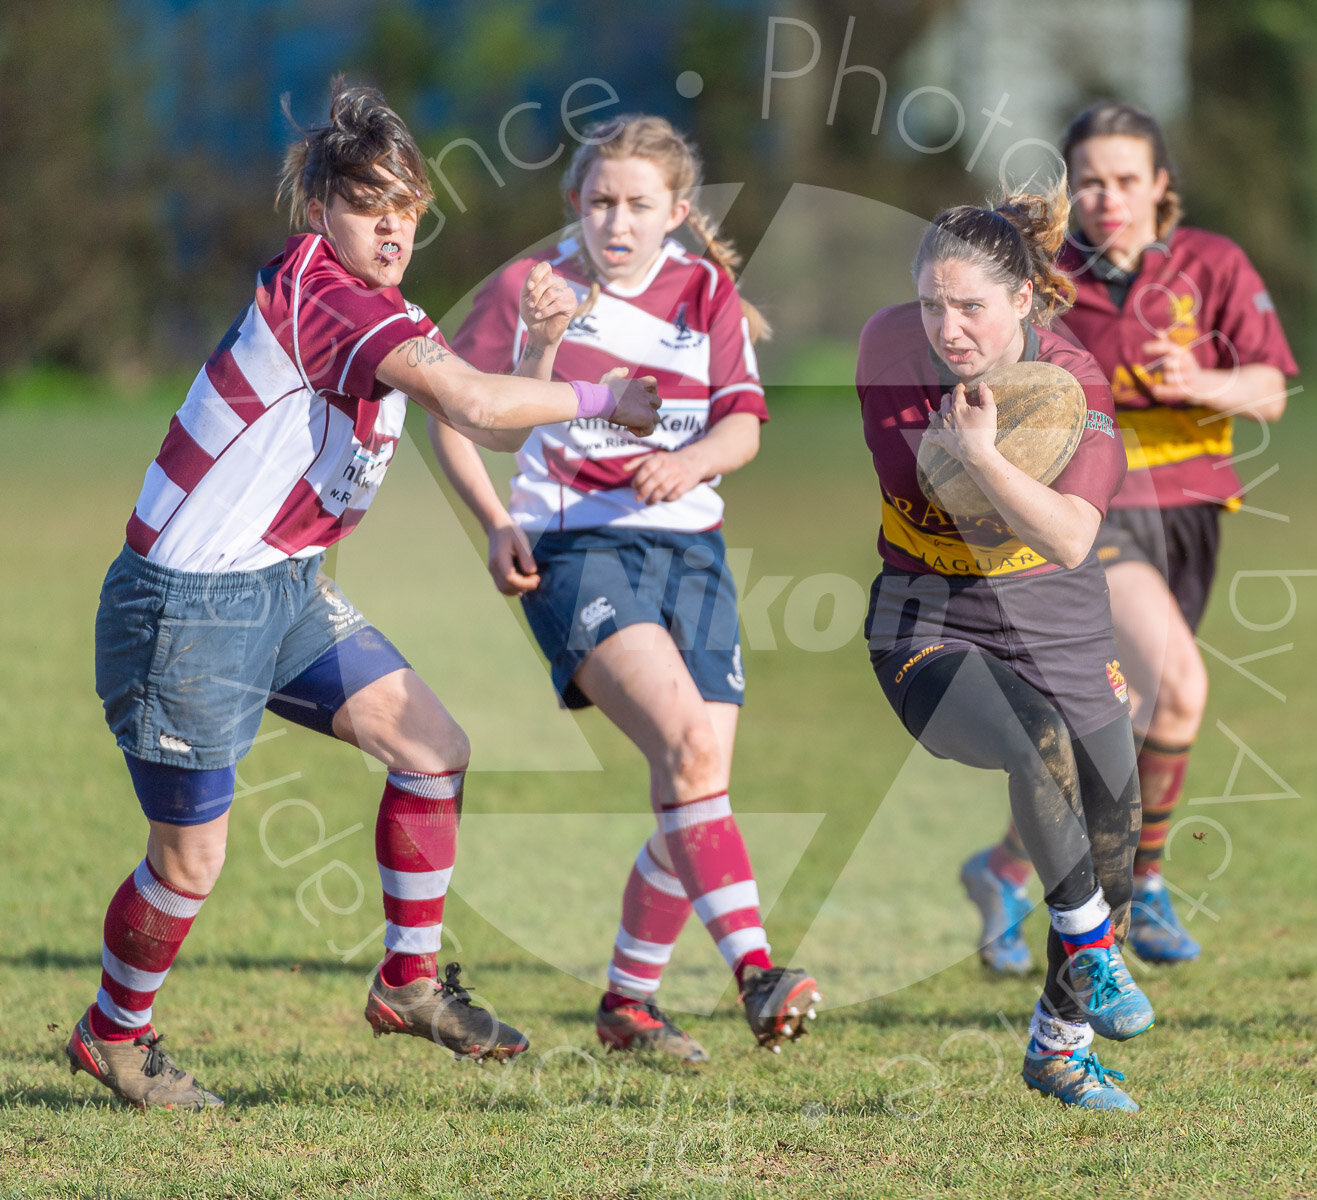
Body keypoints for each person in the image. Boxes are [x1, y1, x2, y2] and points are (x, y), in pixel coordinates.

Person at [65, 81, 660, 1111]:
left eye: (407, 205)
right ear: (320, 214)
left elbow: (485, 420)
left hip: (281, 591)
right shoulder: (324, 295)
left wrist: (543, 350)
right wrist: (607, 395)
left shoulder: (380, 309)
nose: (390, 224)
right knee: (191, 859)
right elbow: (471, 400)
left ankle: (408, 981)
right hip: (188, 608)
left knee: (434, 752)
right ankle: (115, 1033)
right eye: (367, 202)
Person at [429, 114, 819, 1064]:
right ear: (575, 204)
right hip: (575, 550)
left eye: (640, 204)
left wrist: (689, 468)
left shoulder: (705, 290)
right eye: (601, 200)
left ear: (677, 212)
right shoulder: (534, 290)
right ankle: (758, 971)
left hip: (695, 555)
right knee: (691, 751)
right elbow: (453, 414)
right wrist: (496, 520)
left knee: (698, 787)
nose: (618, 220)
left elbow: (743, 429)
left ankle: (628, 1005)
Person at [962, 101, 1298, 971]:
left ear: (1160, 185)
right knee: (1178, 684)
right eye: (1089, 181)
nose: (1107, 197)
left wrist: (1205, 380)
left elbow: (1269, 390)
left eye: (1124, 179)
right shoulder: (1044, 274)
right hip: (1090, 512)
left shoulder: (1212, 264)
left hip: (1191, 517)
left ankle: (1001, 867)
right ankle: (1141, 888)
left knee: (1124, 714)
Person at [858, 183, 1153, 1110]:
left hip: (1057, 620)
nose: (948, 329)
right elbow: (935, 491)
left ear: (1024, 300)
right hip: (928, 620)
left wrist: (987, 454)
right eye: (933, 305)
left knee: (1114, 851)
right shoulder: (886, 347)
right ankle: (1096, 954)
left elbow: (1068, 538)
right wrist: (977, 457)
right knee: (1038, 745)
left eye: (971, 307)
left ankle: (1059, 1048)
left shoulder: (1076, 384)